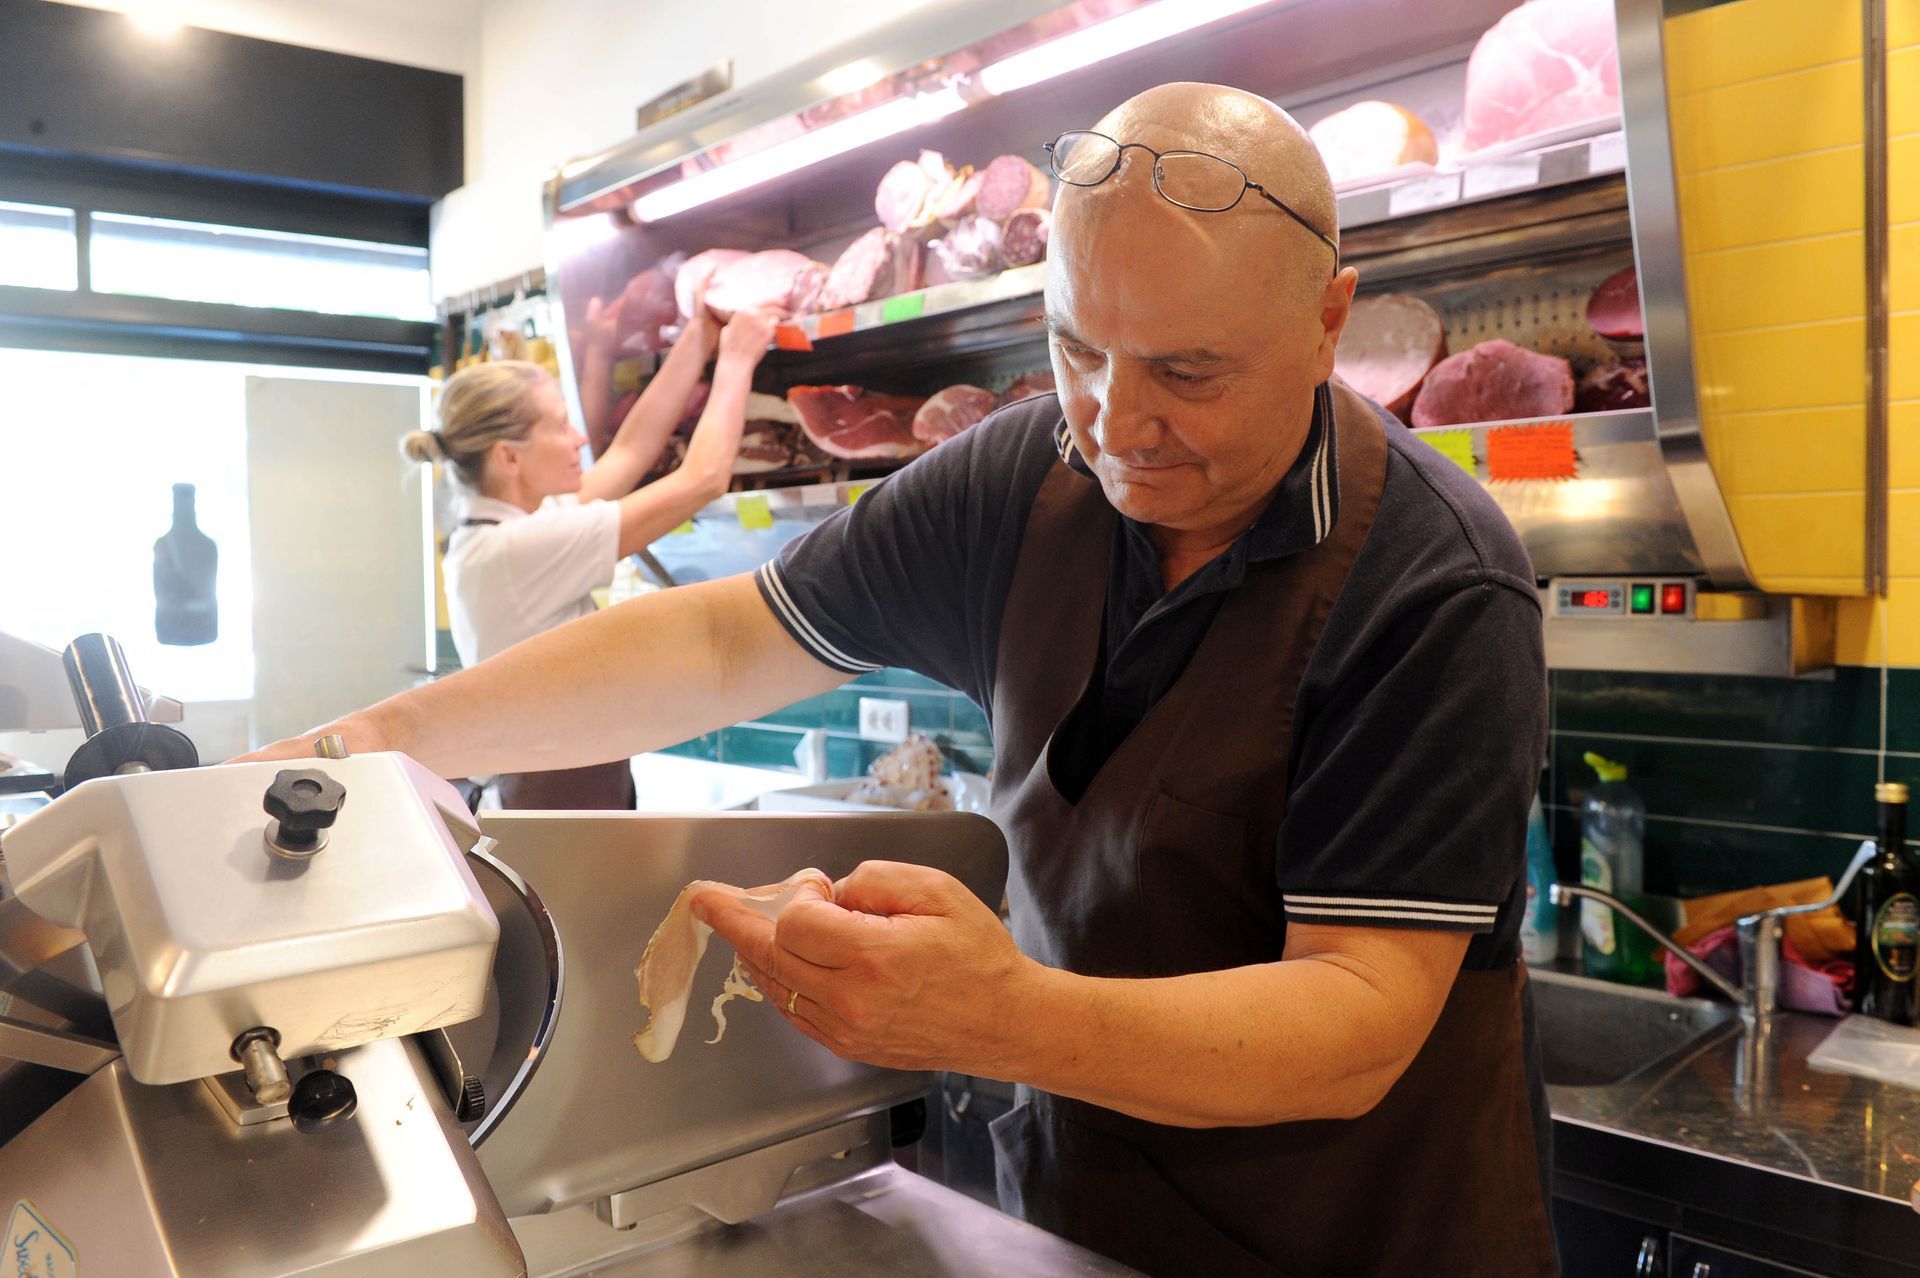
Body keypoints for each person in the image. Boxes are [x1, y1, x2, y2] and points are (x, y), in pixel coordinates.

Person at [249, 83, 1554, 1276]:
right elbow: (722, 641)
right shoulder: (1028, 478)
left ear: (1326, 321)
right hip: (1079, 1221)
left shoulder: (1432, 583)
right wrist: (378, 737)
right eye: (1077, 347)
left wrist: (1003, 1016)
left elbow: (1357, 1017)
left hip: (1359, 1237)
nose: (1115, 420)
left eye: (1188, 371)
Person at [400, 302, 778, 808]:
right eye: (561, 426)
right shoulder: (519, 550)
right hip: (549, 794)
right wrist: (738, 358)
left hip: (545, 788)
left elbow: (629, 452)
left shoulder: (497, 538)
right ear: (508, 457)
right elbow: (703, 479)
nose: (579, 439)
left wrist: (698, 338)